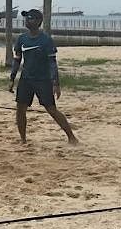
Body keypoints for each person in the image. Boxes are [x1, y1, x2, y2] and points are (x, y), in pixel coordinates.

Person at [8, 8, 78, 145]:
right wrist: (12, 78)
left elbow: (53, 63)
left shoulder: (46, 40)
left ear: (39, 21)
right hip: (26, 79)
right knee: (20, 109)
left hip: (43, 80)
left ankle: (71, 136)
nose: (27, 20)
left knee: (51, 109)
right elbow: (17, 60)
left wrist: (56, 83)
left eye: (31, 18)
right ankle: (23, 139)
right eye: (26, 18)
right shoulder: (22, 39)